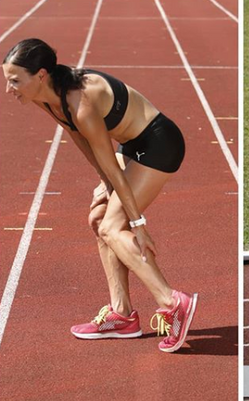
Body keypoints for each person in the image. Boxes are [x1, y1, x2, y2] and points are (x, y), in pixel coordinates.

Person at [2, 38, 198, 353]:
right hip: (133, 147)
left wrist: (138, 222)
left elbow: (111, 164)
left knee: (112, 227)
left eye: (14, 81)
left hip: (159, 144)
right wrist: (105, 185)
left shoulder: (82, 101)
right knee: (98, 219)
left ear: (40, 75)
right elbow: (79, 138)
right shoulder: (45, 97)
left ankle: (172, 301)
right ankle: (122, 315)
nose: (9, 89)